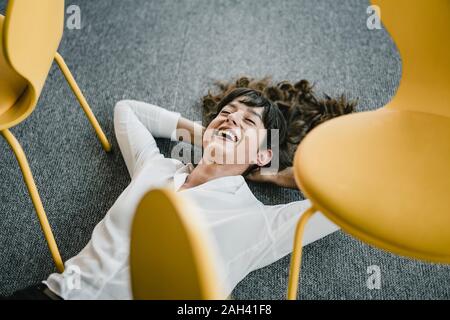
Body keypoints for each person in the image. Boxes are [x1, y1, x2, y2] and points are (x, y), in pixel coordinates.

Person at [7, 77, 356, 300]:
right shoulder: (155, 167)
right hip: (53, 294)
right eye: (227, 111)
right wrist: (206, 132)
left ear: (264, 153)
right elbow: (127, 111)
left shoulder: (259, 223)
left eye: (248, 121)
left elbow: (346, 203)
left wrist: (276, 174)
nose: (232, 117)